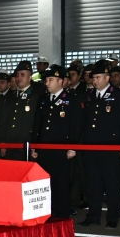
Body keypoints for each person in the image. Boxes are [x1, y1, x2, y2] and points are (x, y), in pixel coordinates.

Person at [30, 65, 84, 219]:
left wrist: (72, 147)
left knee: (61, 183)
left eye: (50, 80)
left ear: (60, 81)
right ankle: (48, 212)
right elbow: (37, 124)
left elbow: (76, 126)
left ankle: (62, 214)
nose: (47, 83)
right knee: (46, 183)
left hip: (62, 149)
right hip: (44, 148)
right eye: (46, 80)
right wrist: (34, 145)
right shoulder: (43, 99)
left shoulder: (71, 100)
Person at [78, 60, 120, 228]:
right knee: (93, 184)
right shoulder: (89, 96)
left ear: (107, 78)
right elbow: (84, 122)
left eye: (98, 77)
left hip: (110, 147)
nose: (95, 81)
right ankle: (93, 216)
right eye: (93, 78)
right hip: (91, 147)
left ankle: (112, 218)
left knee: (111, 184)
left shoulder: (119, 95)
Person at [4, 61, 46, 161]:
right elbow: (5, 120)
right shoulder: (10, 96)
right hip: (11, 144)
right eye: (17, 75)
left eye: (22, 75)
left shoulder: (36, 96)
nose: (18, 78)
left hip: (27, 144)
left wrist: (35, 144)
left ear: (30, 77)